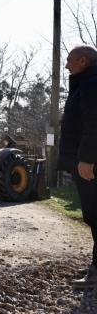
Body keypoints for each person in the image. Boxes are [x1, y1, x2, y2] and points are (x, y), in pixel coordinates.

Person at [59, 45, 97, 289]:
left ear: (83, 61)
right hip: (87, 162)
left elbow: (94, 123)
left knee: (96, 214)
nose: (66, 65)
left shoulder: (92, 84)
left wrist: (87, 158)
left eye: (70, 60)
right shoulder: (87, 83)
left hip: (90, 164)